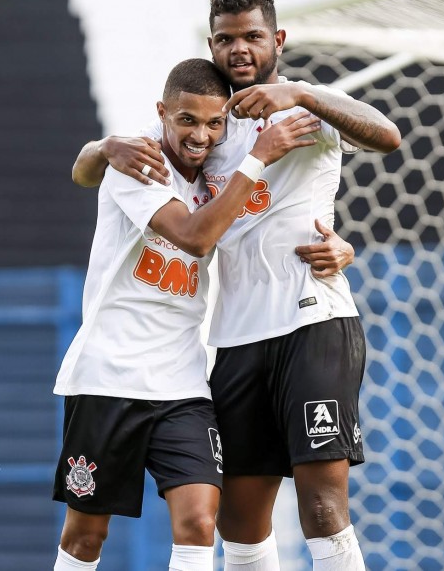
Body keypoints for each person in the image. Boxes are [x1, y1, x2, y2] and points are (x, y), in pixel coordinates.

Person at [72, 0, 401, 571]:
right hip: (233, 339)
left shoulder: (306, 109)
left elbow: (386, 135)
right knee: (239, 521)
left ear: (277, 39)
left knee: (322, 506)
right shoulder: (210, 130)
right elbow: (106, 178)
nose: (240, 49)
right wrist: (102, 146)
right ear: (211, 44)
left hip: (313, 323)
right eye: (226, 39)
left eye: (253, 36)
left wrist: (301, 91)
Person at [53, 58, 323, 571]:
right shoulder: (141, 162)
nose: (201, 135)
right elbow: (197, 238)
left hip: (182, 382)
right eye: (187, 121)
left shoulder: (222, 172)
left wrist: (339, 247)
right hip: (109, 376)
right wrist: (104, 148)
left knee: (200, 522)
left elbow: (275, 222)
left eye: (214, 122)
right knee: (86, 536)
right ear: (163, 114)